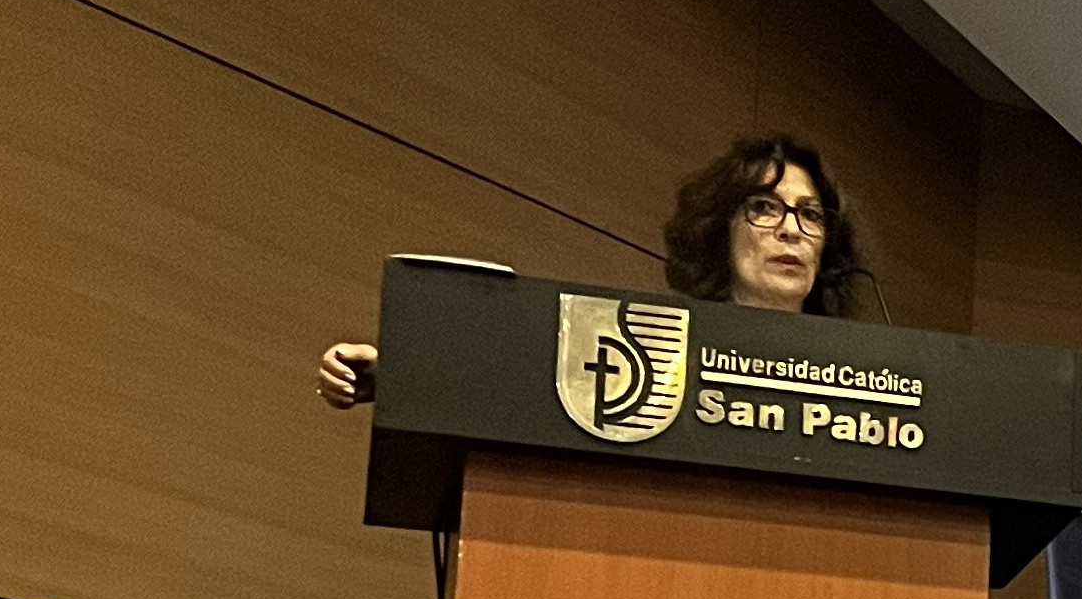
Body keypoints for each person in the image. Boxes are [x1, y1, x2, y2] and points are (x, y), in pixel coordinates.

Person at [314, 135, 882, 405]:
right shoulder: (659, 353)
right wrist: (403, 375)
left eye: (810, 214)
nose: (790, 229)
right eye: (764, 207)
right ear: (720, 230)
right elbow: (538, 381)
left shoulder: (871, 384)